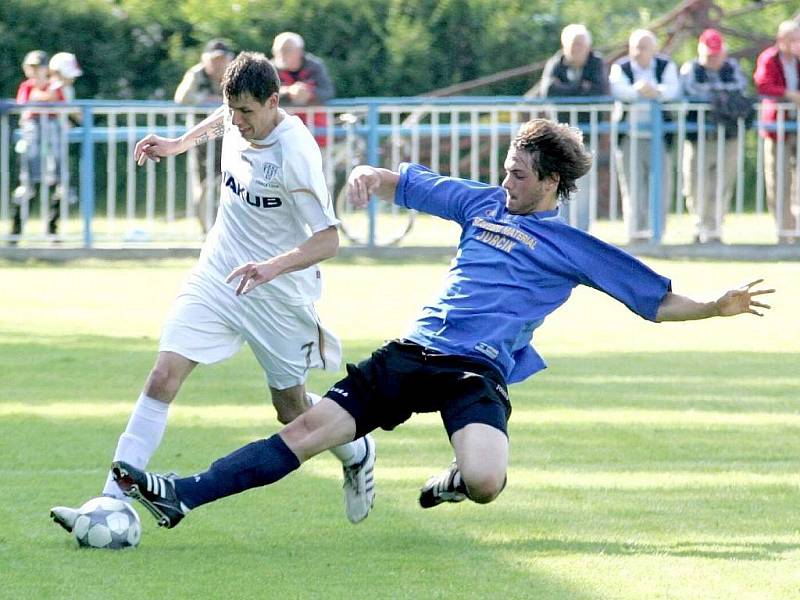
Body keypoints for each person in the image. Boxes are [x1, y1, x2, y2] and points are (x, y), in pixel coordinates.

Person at [107, 119, 773, 531]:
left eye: (516, 174)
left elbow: (652, 301)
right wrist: (372, 175)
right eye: (506, 170)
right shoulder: (483, 204)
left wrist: (715, 305)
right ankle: (182, 494)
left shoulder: (573, 246)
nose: (504, 180)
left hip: (475, 371)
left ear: (550, 182)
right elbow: (413, 185)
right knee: (306, 430)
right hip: (416, 349)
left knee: (485, 482)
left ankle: (455, 478)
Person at [50, 52, 376, 534]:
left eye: (247, 113)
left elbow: (328, 239)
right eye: (232, 111)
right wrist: (180, 144)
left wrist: (271, 267)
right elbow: (220, 117)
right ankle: (110, 501)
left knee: (291, 410)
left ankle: (357, 450)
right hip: (218, 275)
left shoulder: (296, 152)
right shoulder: (235, 115)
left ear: (273, 101)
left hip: (276, 294)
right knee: (162, 376)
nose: (238, 122)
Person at [534, 23, 607, 232]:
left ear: (588, 47)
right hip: (560, 138)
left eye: (581, 45)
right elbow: (548, 91)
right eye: (573, 45)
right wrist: (580, 88)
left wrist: (566, 89)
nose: (577, 49)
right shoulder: (556, 62)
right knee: (558, 183)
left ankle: (581, 231)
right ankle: (561, 227)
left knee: (583, 184)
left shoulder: (596, 62)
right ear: (564, 46)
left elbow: (599, 92)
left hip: (587, 135)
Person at [609, 29, 681, 242]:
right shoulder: (620, 67)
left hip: (659, 136)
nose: (639, 52)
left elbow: (673, 90)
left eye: (644, 47)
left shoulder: (666, 65)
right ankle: (635, 233)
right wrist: (640, 90)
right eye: (635, 47)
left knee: (661, 186)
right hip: (629, 136)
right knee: (632, 186)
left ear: (654, 49)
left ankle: (656, 233)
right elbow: (618, 90)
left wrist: (656, 91)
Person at [680, 29, 750, 244]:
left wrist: (713, 95)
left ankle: (715, 229)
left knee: (722, 185)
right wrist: (721, 95)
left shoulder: (733, 68)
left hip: (728, 138)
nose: (713, 58)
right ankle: (699, 226)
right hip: (699, 138)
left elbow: (740, 87)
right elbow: (692, 89)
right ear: (701, 51)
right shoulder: (691, 69)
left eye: (717, 54)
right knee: (695, 185)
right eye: (709, 54)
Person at [175, 38, 235, 233]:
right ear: (205, 59)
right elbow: (182, 98)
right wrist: (206, 100)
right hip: (201, 136)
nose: (218, 64)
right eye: (214, 59)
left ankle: (227, 227)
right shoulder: (196, 74)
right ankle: (205, 229)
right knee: (203, 181)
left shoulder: (235, 74)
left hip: (230, 134)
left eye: (222, 59)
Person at [753, 20, 800, 244]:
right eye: (792, 39)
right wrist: (789, 94)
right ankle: (784, 231)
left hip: (797, 128)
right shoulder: (769, 58)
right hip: (777, 129)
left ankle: (797, 230)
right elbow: (763, 85)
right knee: (778, 180)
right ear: (781, 40)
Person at [11, 50, 65, 243]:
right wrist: (44, 99)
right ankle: (16, 232)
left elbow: (58, 103)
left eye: (38, 67)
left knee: (59, 184)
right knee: (27, 185)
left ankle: (53, 231)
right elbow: (24, 106)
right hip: (32, 141)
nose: (34, 71)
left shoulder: (55, 86)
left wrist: (39, 100)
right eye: (31, 67)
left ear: (45, 69)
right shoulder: (25, 86)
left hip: (52, 140)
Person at [271, 32, 334, 146]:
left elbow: (327, 91)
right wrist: (288, 92)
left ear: (299, 51)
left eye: (286, 50)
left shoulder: (315, 66)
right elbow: (263, 94)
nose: (281, 54)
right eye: (277, 50)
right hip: (281, 135)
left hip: (316, 134)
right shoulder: (269, 69)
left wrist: (309, 94)